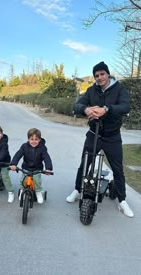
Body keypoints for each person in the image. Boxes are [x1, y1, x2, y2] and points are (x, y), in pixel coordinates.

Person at [66, 61, 134, 218]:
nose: (99, 77)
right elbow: (77, 105)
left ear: (108, 74)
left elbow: (125, 107)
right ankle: (77, 189)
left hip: (112, 136)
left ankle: (122, 200)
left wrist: (106, 110)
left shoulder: (119, 89)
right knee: (85, 164)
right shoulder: (91, 90)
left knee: (117, 169)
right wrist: (86, 108)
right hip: (94, 133)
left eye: (102, 74)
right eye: (96, 75)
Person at [10, 128, 53, 204]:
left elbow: (46, 157)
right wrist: (13, 164)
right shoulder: (24, 146)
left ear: (39, 139)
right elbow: (18, 155)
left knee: (37, 180)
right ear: (28, 139)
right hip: (26, 167)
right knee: (23, 180)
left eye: (36, 139)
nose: (34, 141)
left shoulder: (42, 148)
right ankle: (22, 191)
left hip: (37, 169)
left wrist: (48, 168)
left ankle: (38, 192)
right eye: (31, 139)